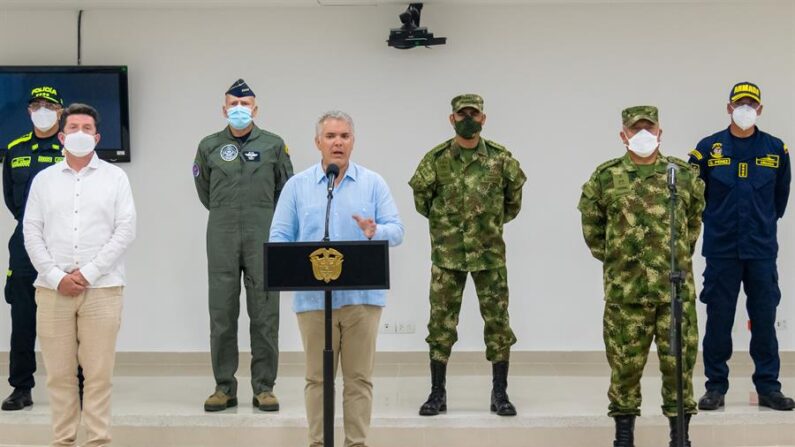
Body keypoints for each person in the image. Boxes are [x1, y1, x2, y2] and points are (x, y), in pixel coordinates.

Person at [270, 110, 404, 447]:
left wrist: (376, 231)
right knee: (318, 379)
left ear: (353, 141)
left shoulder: (373, 183)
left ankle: (356, 443)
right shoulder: (297, 186)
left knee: (359, 379)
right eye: (330, 136)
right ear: (318, 143)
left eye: (344, 136)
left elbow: (397, 230)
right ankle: (319, 442)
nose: (338, 142)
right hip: (314, 302)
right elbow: (279, 239)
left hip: (362, 300)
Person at [578, 106, 704, 447]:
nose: (643, 135)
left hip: (674, 294)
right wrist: (620, 261)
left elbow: (693, 225)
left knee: (678, 368)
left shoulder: (684, 175)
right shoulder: (605, 178)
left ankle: (680, 438)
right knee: (624, 370)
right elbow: (593, 229)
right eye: (636, 130)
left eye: (649, 128)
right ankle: (623, 438)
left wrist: (672, 257)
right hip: (626, 295)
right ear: (623, 135)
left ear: (660, 132)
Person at [23, 103, 136, 447]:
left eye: (87, 128)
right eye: (73, 128)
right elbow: (31, 231)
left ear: (97, 137)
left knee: (99, 376)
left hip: (102, 289)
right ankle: (63, 440)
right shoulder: (43, 180)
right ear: (61, 135)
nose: (80, 134)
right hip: (52, 289)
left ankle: (98, 440)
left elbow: (125, 229)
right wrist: (57, 276)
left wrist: (86, 273)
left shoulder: (116, 178)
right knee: (58, 376)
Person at [409, 94, 525, 417]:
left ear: (484, 119)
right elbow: (422, 201)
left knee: (498, 324)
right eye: (462, 114)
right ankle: (437, 393)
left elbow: (512, 204)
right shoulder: (436, 160)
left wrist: (486, 226)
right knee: (440, 325)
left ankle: (500, 394)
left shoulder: (502, 160)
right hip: (448, 257)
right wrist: (447, 227)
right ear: (452, 119)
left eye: (474, 113)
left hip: (489, 256)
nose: (468, 119)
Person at [688, 82, 793, 411]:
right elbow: (695, 197)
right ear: (729, 107)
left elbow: (780, 199)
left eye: (751, 104)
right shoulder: (708, 148)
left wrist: (760, 225)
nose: (745, 109)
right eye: (739, 103)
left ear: (759, 109)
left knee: (764, 319)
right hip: (721, 250)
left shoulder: (776, 149)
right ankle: (715, 387)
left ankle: (768, 387)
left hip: (761, 250)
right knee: (719, 319)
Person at [193, 79, 293, 412]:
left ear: (255, 109)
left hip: (262, 234)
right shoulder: (208, 146)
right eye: (233, 105)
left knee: (265, 313)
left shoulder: (274, 145)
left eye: (245, 104)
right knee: (221, 314)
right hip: (221, 235)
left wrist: (264, 220)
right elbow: (204, 191)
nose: (239, 110)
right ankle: (224, 387)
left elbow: (286, 191)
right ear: (224, 109)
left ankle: (264, 387)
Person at [1, 85, 69, 411]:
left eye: (49, 105)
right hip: (25, 243)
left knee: (69, 317)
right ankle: (21, 388)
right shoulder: (14, 149)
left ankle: (75, 387)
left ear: (60, 110)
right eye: (36, 105)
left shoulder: (71, 147)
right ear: (29, 111)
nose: (42, 109)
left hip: (64, 242)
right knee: (23, 316)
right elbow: (12, 200)